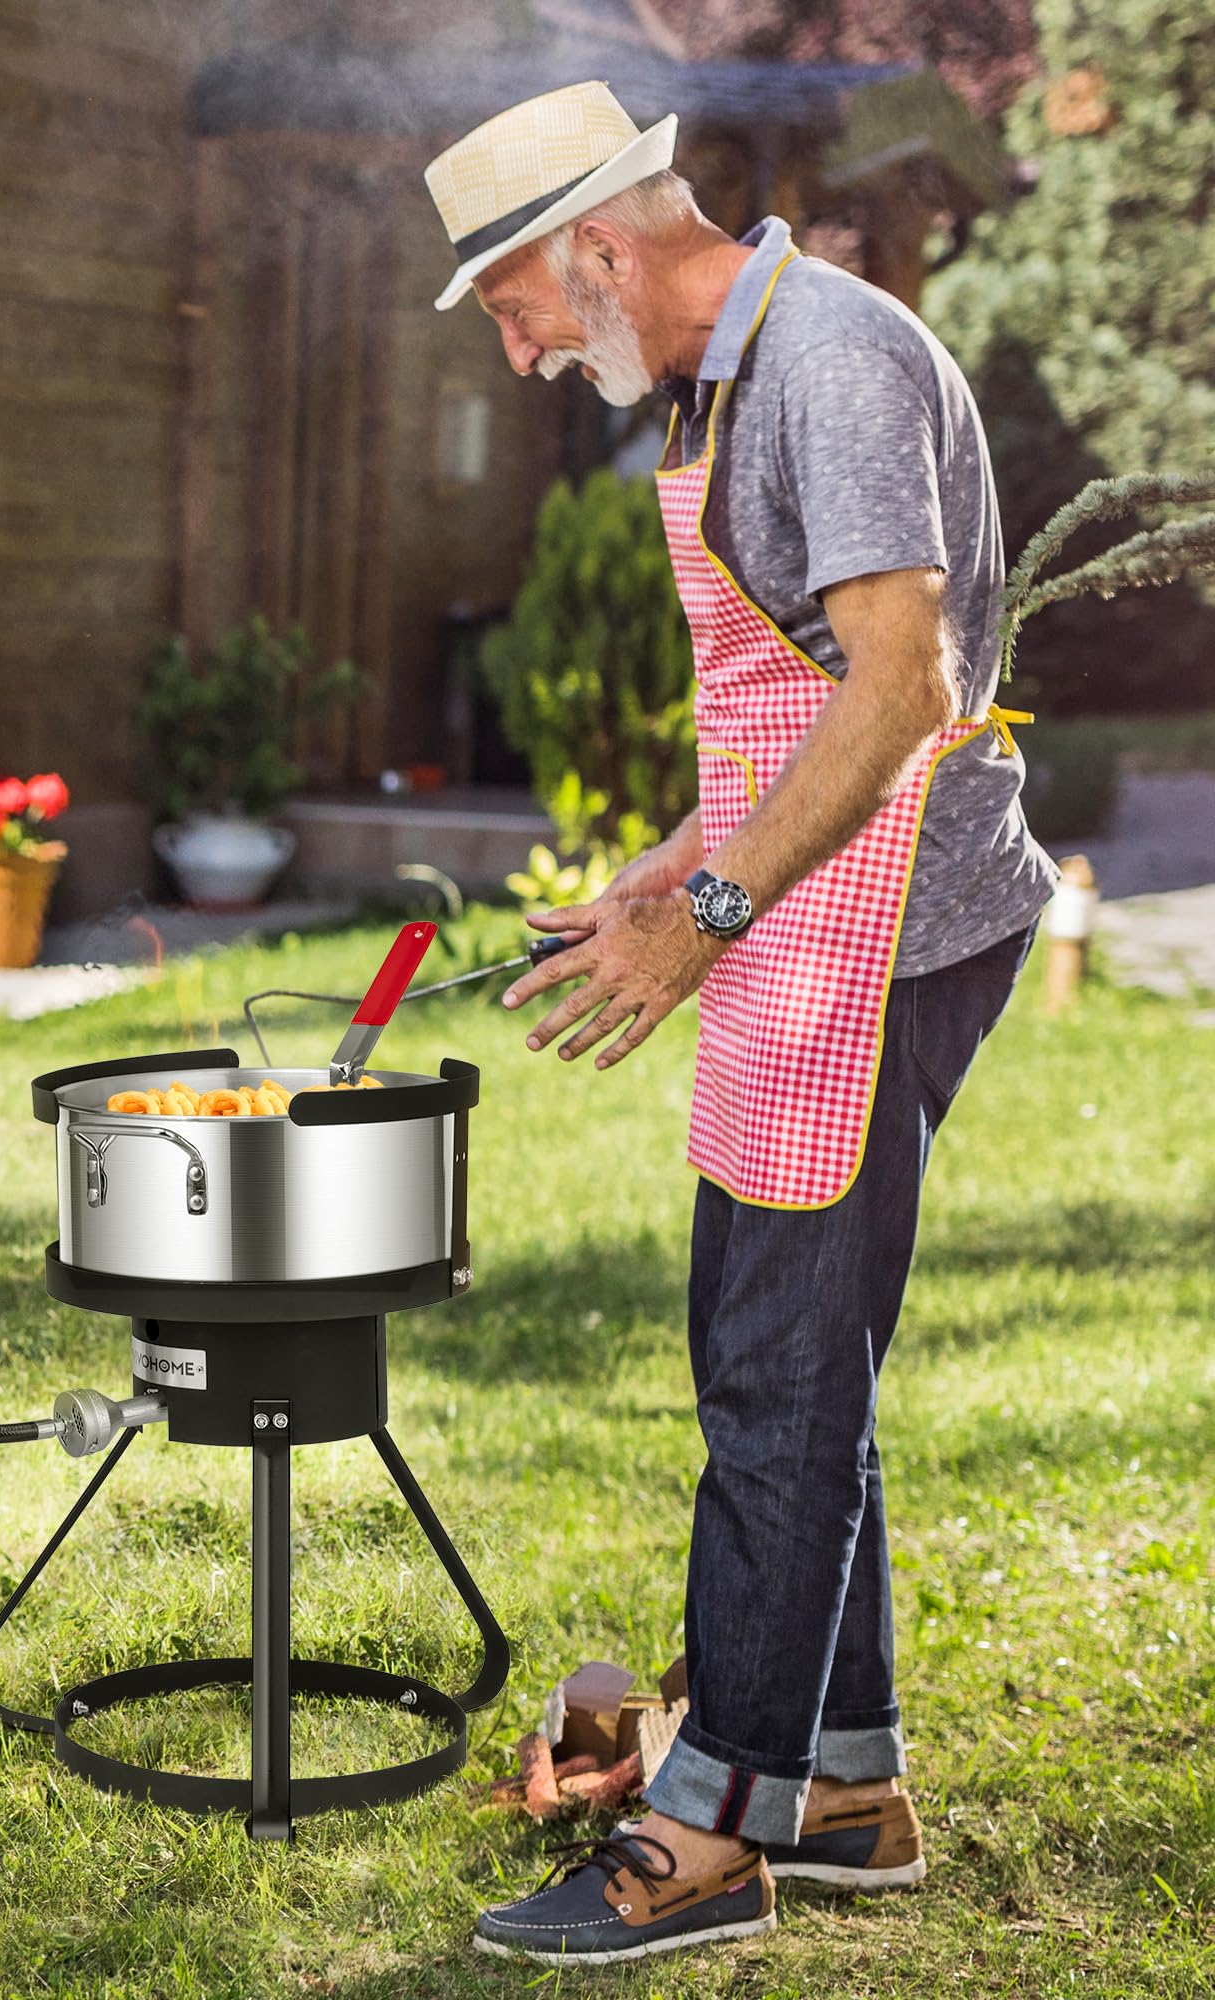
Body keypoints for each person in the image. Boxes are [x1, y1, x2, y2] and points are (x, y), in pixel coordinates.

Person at [423, 83, 1056, 1967]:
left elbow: (900, 692)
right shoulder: (719, 376)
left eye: (515, 306)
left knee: (774, 1373)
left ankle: (711, 1833)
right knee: (784, 1348)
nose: (523, 352)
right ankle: (844, 1787)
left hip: (887, 936)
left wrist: (704, 918)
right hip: (804, 907)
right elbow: (781, 720)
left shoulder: (831, 364)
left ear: (598, 248)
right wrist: (660, 872)